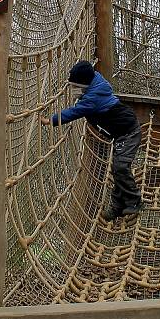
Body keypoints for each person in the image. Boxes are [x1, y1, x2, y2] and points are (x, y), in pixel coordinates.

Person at [42, 60, 143, 221]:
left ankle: (134, 202)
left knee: (121, 167)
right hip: (120, 133)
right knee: (117, 169)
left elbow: (74, 112)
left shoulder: (92, 99)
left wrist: (51, 120)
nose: (74, 90)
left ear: (85, 84)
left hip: (128, 132)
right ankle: (118, 207)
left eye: (76, 87)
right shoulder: (96, 81)